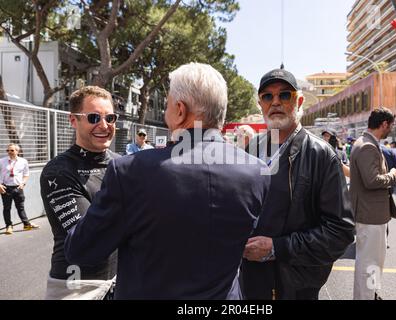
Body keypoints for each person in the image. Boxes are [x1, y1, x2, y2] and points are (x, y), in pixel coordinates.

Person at [64, 63, 270, 299]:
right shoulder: (257, 172)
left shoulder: (130, 171)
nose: (165, 112)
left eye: (167, 104)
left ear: (180, 110)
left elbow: (82, 250)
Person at [241, 67, 354, 300]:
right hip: (252, 280)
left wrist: (276, 248)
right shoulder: (252, 148)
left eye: (284, 95)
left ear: (299, 101)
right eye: (267, 96)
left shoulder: (321, 155)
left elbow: (340, 232)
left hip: (296, 286)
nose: (276, 102)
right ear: (260, 103)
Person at [40, 86, 120, 299]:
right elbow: (89, 240)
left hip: (121, 281)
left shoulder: (122, 163)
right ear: (73, 120)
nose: (104, 125)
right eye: (93, 117)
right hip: (77, 288)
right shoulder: (58, 171)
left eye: (110, 118)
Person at [350, 107, 396, 300]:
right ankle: (367, 296)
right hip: (370, 214)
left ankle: (369, 294)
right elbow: (372, 181)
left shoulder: (365, 142)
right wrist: (392, 175)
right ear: (384, 124)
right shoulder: (367, 146)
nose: (392, 128)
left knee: (368, 262)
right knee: (371, 263)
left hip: (369, 213)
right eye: (391, 125)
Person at [0, 144, 39, 234]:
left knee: (20, 207)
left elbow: (26, 174)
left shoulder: (23, 161)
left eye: (12, 150)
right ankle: (9, 226)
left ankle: (26, 224)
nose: (9, 152)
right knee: (7, 208)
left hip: (18, 187)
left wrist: (23, 183)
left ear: (18, 151)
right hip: (6, 187)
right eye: (8, 150)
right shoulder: (2, 161)